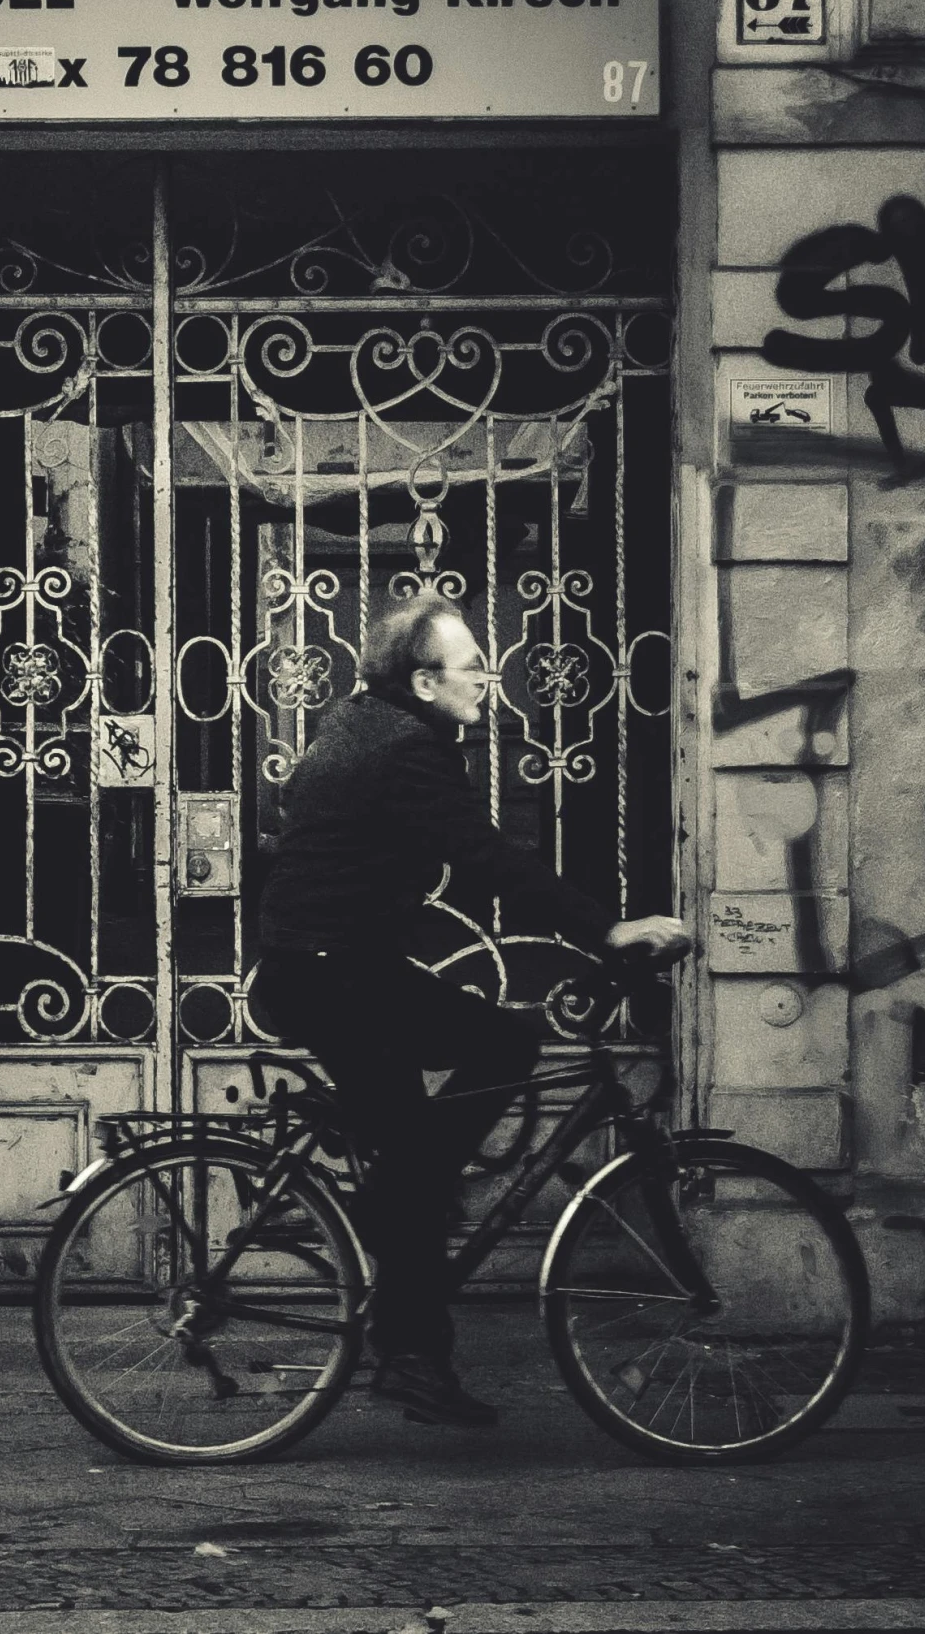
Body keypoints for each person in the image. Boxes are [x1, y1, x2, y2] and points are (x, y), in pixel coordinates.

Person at [253, 592, 692, 1427]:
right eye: (473, 670)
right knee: (422, 1159)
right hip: (333, 978)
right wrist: (609, 929)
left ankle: (406, 1193)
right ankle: (411, 1343)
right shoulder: (407, 750)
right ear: (424, 683)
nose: (490, 683)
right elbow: (485, 857)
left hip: (333, 966)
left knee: (495, 1047)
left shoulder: (362, 725)